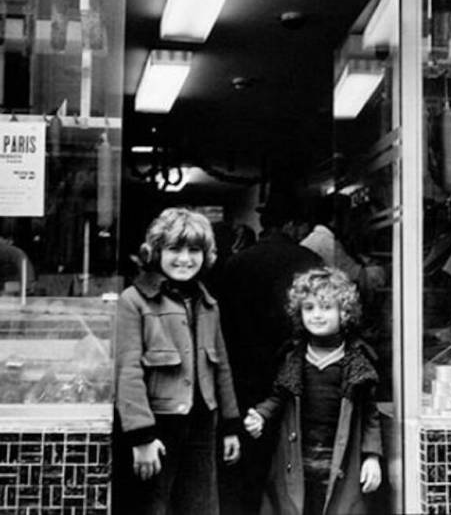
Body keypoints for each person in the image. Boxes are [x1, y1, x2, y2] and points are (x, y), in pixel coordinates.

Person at [114, 207, 241, 515]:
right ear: (156, 251)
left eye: (194, 250)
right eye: (174, 249)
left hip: (202, 426)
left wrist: (230, 426)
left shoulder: (209, 304)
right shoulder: (134, 301)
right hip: (158, 426)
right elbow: (127, 371)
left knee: (200, 506)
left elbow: (221, 366)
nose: (185, 259)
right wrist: (142, 437)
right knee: (152, 507)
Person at [244, 267, 382, 515]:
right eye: (309, 308)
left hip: (339, 463)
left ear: (344, 313)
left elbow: (370, 415)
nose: (317, 315)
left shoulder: (357, 363)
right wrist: (261, 415)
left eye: (326, 307)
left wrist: (372, 457)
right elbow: (279, 397)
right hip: (299, 462)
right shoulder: (293, 358)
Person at [217, 191, 323, 515]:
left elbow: (223, 326)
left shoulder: (236, 264)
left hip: (244, 380)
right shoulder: (309, 263)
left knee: (249, 472)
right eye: (303, 227)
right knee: (294, 470)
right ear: (292, 225)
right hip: (299, 381)